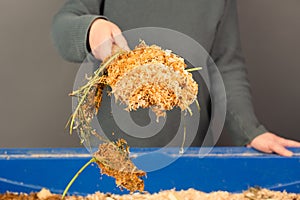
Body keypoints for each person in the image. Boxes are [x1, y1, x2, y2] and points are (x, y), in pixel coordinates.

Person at [52, 0, 300, 156]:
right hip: (110, 151)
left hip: (188, 152)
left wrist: (250, 131)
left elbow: (225, 64)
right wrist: (91, 28)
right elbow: (64, 23)